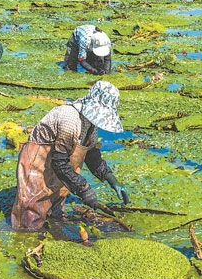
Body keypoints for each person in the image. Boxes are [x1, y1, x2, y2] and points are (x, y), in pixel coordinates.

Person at [11, 81, 129, 230]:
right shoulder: (70, 120)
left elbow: (91, 155)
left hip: (59, 173)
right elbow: (59, 163)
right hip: (38, 166)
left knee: (55, 216)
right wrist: (84, 189)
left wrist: (112, 180)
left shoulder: (90, 125)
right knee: (30, 219)